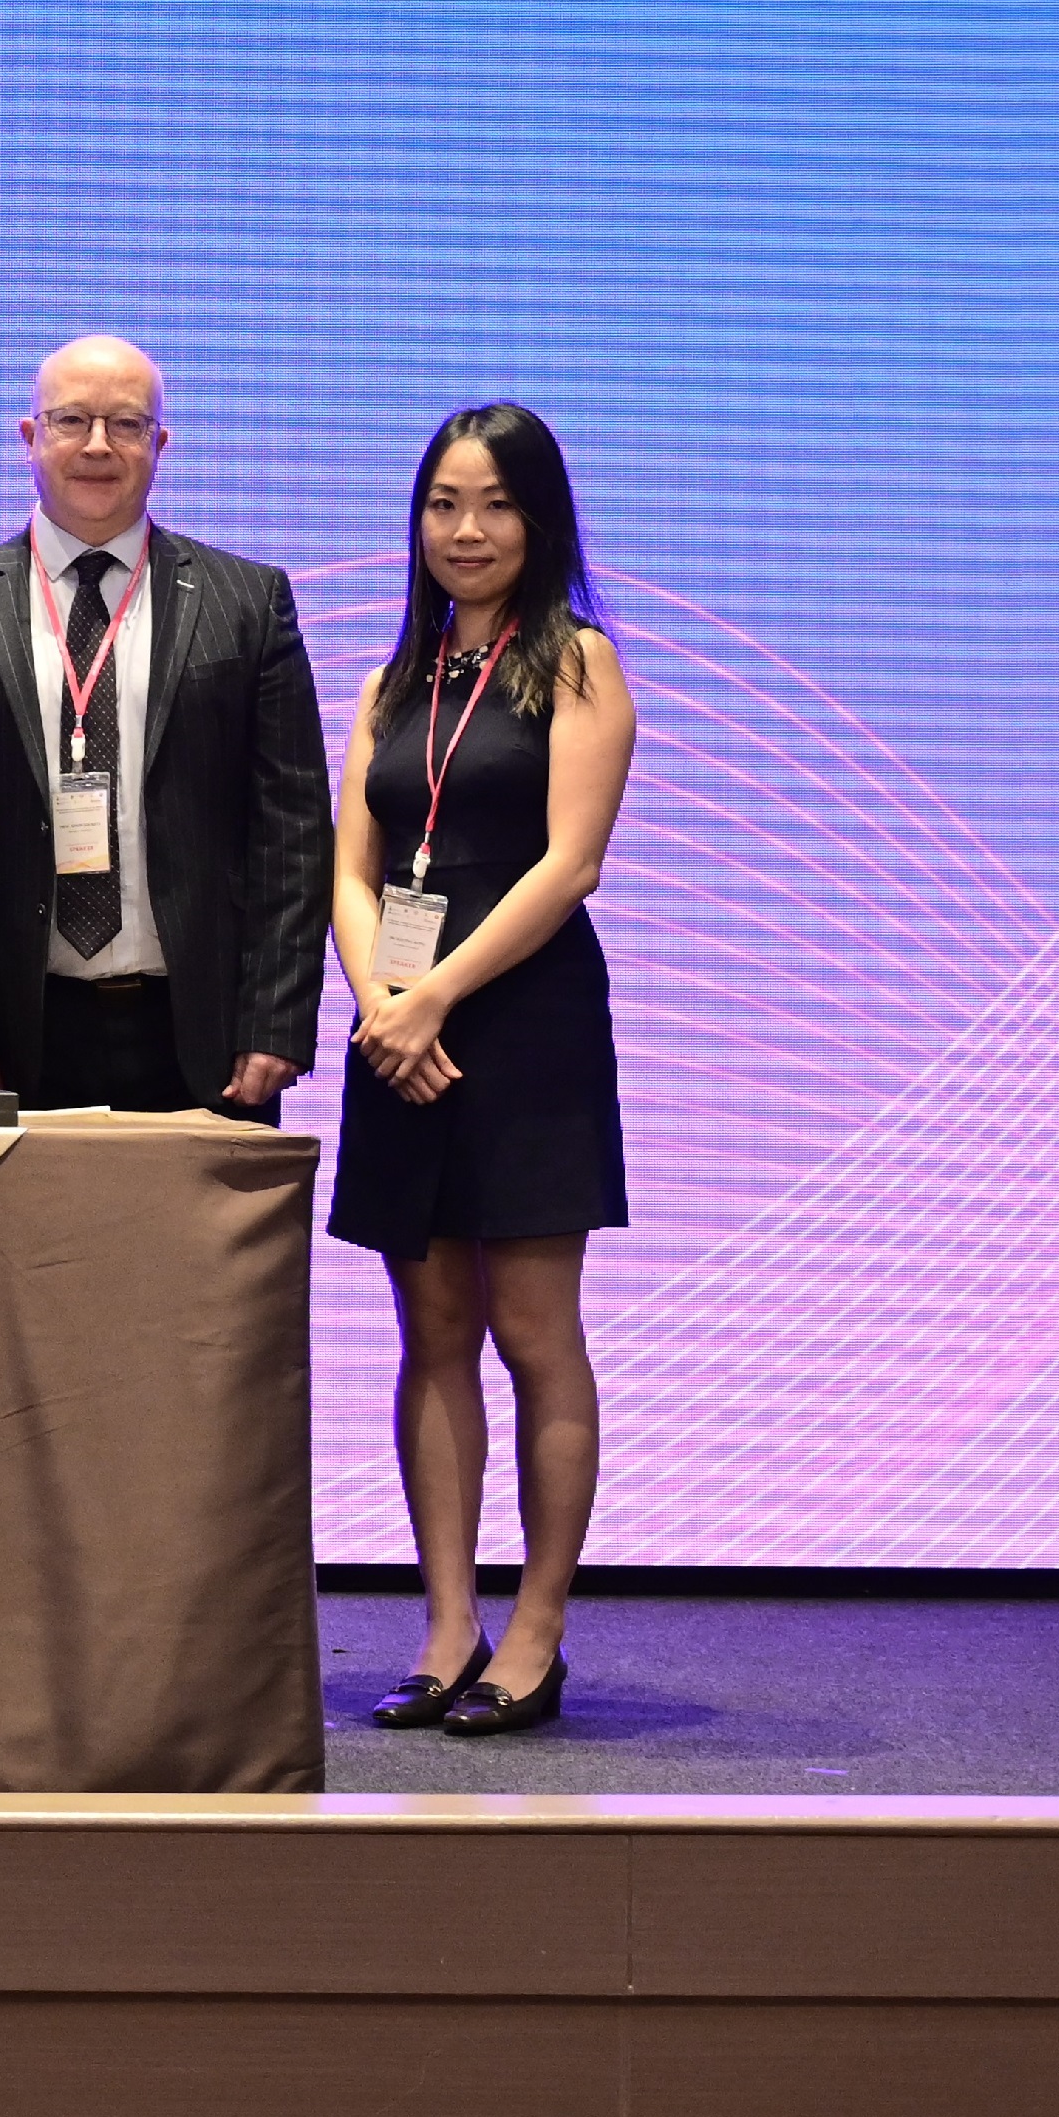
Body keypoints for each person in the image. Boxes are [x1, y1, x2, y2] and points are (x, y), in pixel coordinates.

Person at [330, 403, 636, 1739]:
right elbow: (348, 865)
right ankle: (447, 1622)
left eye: (495, 504)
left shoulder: (577, 661)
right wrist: (378, 999)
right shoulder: (389, 679)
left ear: (539, 518)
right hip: (397, 1033)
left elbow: (569, 863)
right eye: (443, 502)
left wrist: (437, 992)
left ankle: (534, 1629)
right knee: (430, 1334)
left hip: (520, 1025)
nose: (466, 529)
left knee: (530, 1334)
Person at [0, 336, 328, 1116]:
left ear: (160, 444)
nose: (98, 444)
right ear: (29, 437)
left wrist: (276, 1017)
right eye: (72, 420)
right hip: (16, 1034)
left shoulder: (248, 603)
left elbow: (291, 832)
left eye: (126, 424)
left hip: (204, 1033)